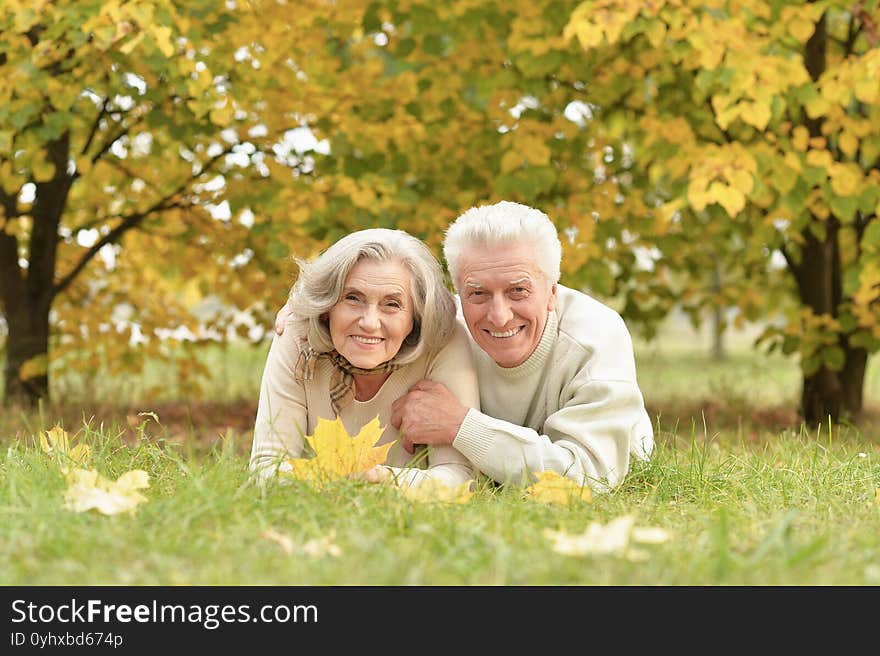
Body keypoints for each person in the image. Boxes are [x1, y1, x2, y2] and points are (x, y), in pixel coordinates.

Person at [276, 201, 654, 492]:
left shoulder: (597, 337)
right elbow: (376, 301)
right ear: (456, 294)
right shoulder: (444, 326)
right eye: (477, 293)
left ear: (552, 292)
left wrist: (460, 426)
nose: (500, 315)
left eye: (518, 290)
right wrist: (307, 308)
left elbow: (593, 476)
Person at [251, 228, 479, 489]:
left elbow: (460, 477)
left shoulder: (443, 340)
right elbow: (267, 467)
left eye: (392, 304)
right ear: (328, 307)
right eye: (353, 298)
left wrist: (385, 483)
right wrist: (339, 487)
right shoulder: (297, 336)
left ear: (416, 316)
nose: (369, 323)